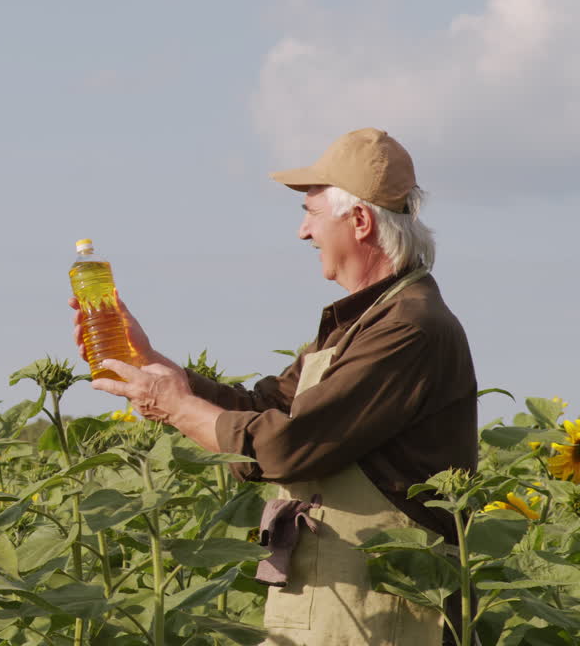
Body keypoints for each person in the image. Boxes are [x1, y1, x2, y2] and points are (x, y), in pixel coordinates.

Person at [73, 128, 477, 646]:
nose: (302, 233)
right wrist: (152, 363)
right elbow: (265, 407)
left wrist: (171, 406)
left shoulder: (409, 327)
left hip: (380, 613)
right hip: (331, 603)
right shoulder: (366, 319)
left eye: (311, 213)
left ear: (359, 222)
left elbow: (288, 445)